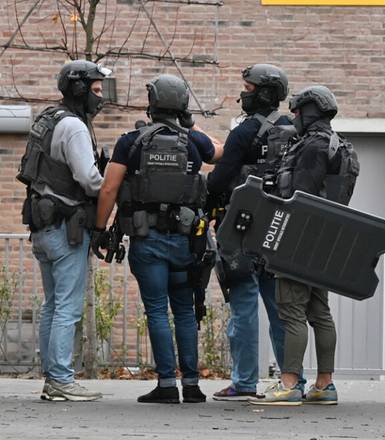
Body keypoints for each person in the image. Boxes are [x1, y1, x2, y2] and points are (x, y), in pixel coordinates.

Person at [94, 74, 221, 404]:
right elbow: (219, 152)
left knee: (156, 311)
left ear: (151, 104)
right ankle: (191, 385)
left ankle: (166, 385)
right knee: (184, 312)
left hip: (147, 240)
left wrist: (99, 229)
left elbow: (109, 188)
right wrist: (191, 126)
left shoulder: (130, 141)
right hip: (185, 242)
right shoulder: (194, 141)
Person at [18, 60, 110, 402]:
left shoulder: (47, 119)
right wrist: (112, 185)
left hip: (42, 226)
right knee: (68, 307)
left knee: (53, 305)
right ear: (79, 89)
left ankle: (52, 378)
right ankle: (61, 379)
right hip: (66, 227)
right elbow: (88, 179)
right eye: (96, 90)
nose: (100, 98)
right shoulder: (73, 127)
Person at [252, 85, 347, 407]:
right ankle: (324, 385)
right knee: (320, 312)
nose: (293, 117)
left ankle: (290, 384)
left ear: (309, 112)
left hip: (299, 238)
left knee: (291, 310)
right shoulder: (339, 145)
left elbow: (299, 197)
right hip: (327, 238)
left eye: (297, 112)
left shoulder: (310, 147)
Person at [206, 64, 296, 401]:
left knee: (243, 308)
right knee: (280, 310)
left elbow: (217, 182)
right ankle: (291, 382)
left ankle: (244, 383)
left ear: (265, 93)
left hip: (242, 232)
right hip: (281, 231)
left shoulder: (244, 133)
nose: (244, 94)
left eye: (248, 88)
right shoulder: (294, 130)